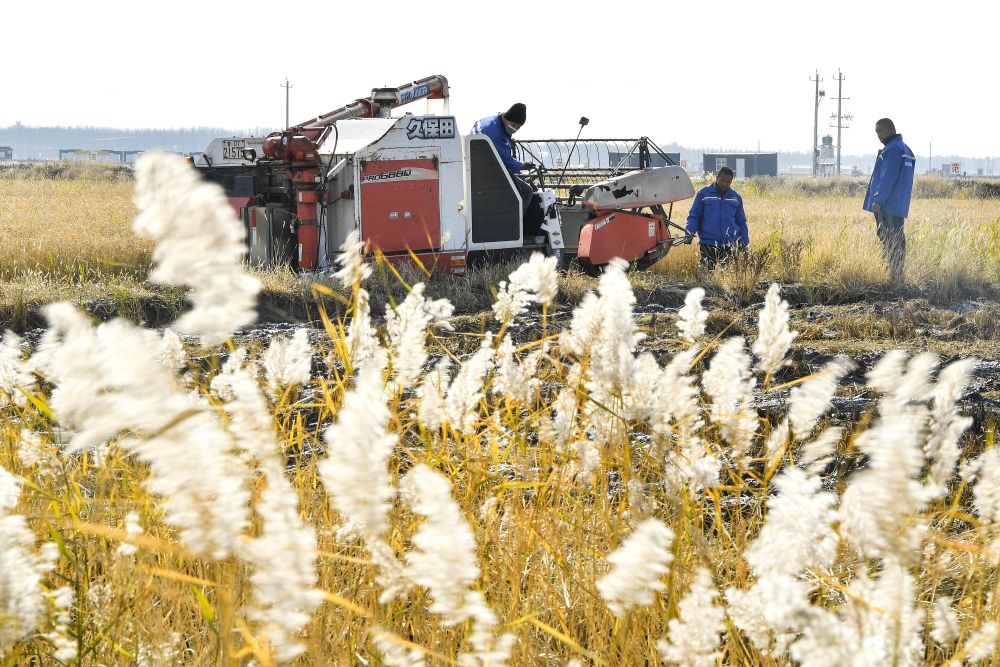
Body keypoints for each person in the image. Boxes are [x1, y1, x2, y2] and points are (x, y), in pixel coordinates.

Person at [863, 118, 915, 284]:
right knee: (897, 239)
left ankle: (893, 277)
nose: (879, 135)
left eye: (881, 131)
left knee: (888, 239)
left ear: (891, 129)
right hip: (898, 204)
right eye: (877, 132)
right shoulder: (905, 149)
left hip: (886, 204)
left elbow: (887, 178)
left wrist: (878, 200)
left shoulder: (891, 150)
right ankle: (897, 275)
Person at [470, 103, 536, 213]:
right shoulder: (495, 133)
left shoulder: (490, 122)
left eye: (518, 127)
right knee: (526, 191)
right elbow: (507, 163)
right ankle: (514, 224)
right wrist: (524, 165)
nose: (515, 129)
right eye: (514, 125)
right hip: (488, 173)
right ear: (507, 118)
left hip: (479, 167)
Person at [684, 166, 749, 268]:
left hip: (729, 245)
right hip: (708, 244)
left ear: (731, 181)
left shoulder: (736, 197)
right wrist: (689, 233)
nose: (724, 184)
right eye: (722, 180)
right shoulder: (704, 193)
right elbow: (695, 216)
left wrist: (745, 242)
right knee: (707, 276)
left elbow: (741, 222)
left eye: (728, 182)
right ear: (717, 177)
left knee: (727, 278)